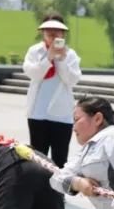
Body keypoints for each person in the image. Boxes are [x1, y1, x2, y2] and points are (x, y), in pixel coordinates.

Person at [23, 14, 82, 167]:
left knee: (60, 160)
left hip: (62, 115)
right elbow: (33, 73)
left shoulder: (70, 55)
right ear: (43, 32)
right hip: (37, 113)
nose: (53, 34)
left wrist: (61, 60)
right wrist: (48, 58)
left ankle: (57, 184)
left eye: (57, 31)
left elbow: (72, 80)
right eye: (49, 31)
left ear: (63, 34)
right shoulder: (35, 51)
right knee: (37, 159)